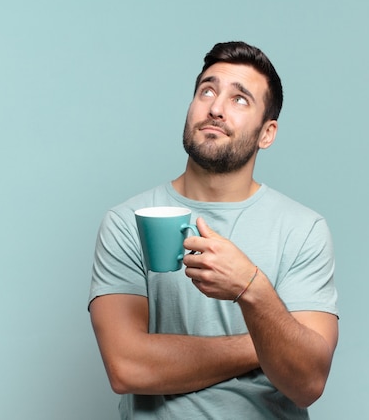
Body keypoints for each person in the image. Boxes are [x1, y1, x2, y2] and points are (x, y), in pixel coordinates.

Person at [88, 41, 339, 419]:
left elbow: (307, 382)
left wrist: (250, 287)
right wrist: (262, 346)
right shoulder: (127, 221)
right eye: (207, 90)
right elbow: (127, 367)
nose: (216, 108)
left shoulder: (303, 230)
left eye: (240, 100)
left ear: (266, 133)